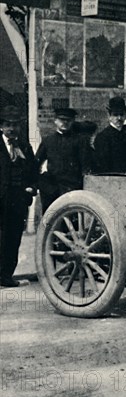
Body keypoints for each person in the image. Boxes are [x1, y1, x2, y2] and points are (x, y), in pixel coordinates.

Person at [0, 106, 37, 287]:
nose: (11, 129)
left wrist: (31, 187)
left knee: (14, 238)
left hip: (18, 200)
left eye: (15, 125)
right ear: (1, 127)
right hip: (0, 200)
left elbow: (33, 172)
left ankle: (6, 276)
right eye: (8, 125)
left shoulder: (24, 146)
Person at [35, 108, 93, 213]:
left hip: (72, 187)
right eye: (62, 120)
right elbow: (36, 163)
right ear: (55, 120)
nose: (65, 123)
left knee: (72, 219)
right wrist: (41, 183)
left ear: (73, 121)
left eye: (68, 120)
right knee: (51, 218)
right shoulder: (48, 140)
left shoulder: (80, 141)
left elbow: (85, 166)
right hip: (51, 188)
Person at [93, 96, 126, 174]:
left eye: (121, 114)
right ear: (109, 116)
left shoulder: (125, 136)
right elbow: (102, 165)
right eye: (115, 115)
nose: (119, 118)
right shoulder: (103, 136)